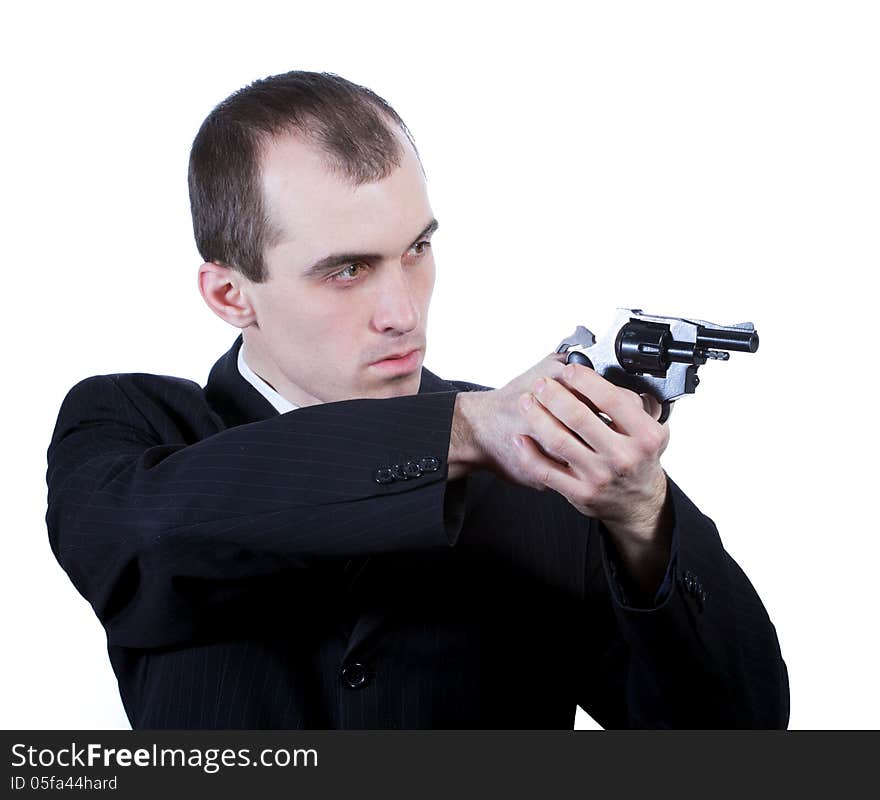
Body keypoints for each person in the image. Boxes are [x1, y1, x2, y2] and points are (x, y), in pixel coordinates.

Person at [46, 70, 789, 729]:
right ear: (230, 293)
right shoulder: (133, 428)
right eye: (346, 271)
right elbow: (156, 534)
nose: (401, 310)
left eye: (417, 250)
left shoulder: (550, 468)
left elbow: (737, 739)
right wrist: (463, 434)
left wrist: (642, 516)